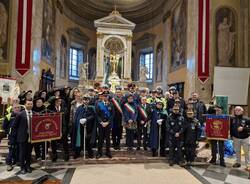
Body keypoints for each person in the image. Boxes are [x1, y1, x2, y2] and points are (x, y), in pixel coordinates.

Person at [14, 98, 33, 174]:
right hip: (22, 137)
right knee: (22, 153)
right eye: (28, 104)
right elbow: (15, 126)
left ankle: (28, 166)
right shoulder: (20, 114)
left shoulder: (34, 113)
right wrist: (16, 136)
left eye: (31, 104)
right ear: (25, 104)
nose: (29, 105)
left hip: (32, 137)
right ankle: (22, 167)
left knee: (29, 153)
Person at [47, 96, 69, 162]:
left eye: (59, 101)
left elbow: (67, 119)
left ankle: (66, 154)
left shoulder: (64, 109)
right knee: (53, 142)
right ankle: (54, 155)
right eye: (56, 101)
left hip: (63, 128)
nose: (58, 103)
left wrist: (66, 128)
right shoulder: (50, 109)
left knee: (65, 142)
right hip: (54, 128)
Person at [230, 106, 250, 171]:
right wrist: (231, 135)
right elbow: (231, 128)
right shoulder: (232, 119)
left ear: (242, 111)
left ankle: (248, 165)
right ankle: (238, 162)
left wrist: (243, 128)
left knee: (246, 152)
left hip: (245, 138)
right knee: (237, 151)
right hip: (236, 138)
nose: (237, 111)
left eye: (239, 110)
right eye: (236, 110)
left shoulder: (247, 119)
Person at [96, 91, 114, 159]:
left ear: (108, 97)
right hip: (101, 124)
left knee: (108, 139)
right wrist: (101, 122)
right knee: (100, 139)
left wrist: (108, 122)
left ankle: (108, 152)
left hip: (108, 124)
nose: (105, 97)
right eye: (104, 96)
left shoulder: (111, 104)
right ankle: (99, 152)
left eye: (106, 96)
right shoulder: (99, 104)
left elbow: (113, 114)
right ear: (102, 96)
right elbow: (97, 115)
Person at [3, 103, 21, 171]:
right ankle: (9, 163)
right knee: (11, 149)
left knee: (18, 148)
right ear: (12, 108)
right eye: (15, 107)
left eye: (18, 107)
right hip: (12, 136)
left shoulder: (21, 115)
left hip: (20, 135)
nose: (17, 109)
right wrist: (9, 132)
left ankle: (17, 161)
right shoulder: (8, 116)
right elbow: (4, 126)